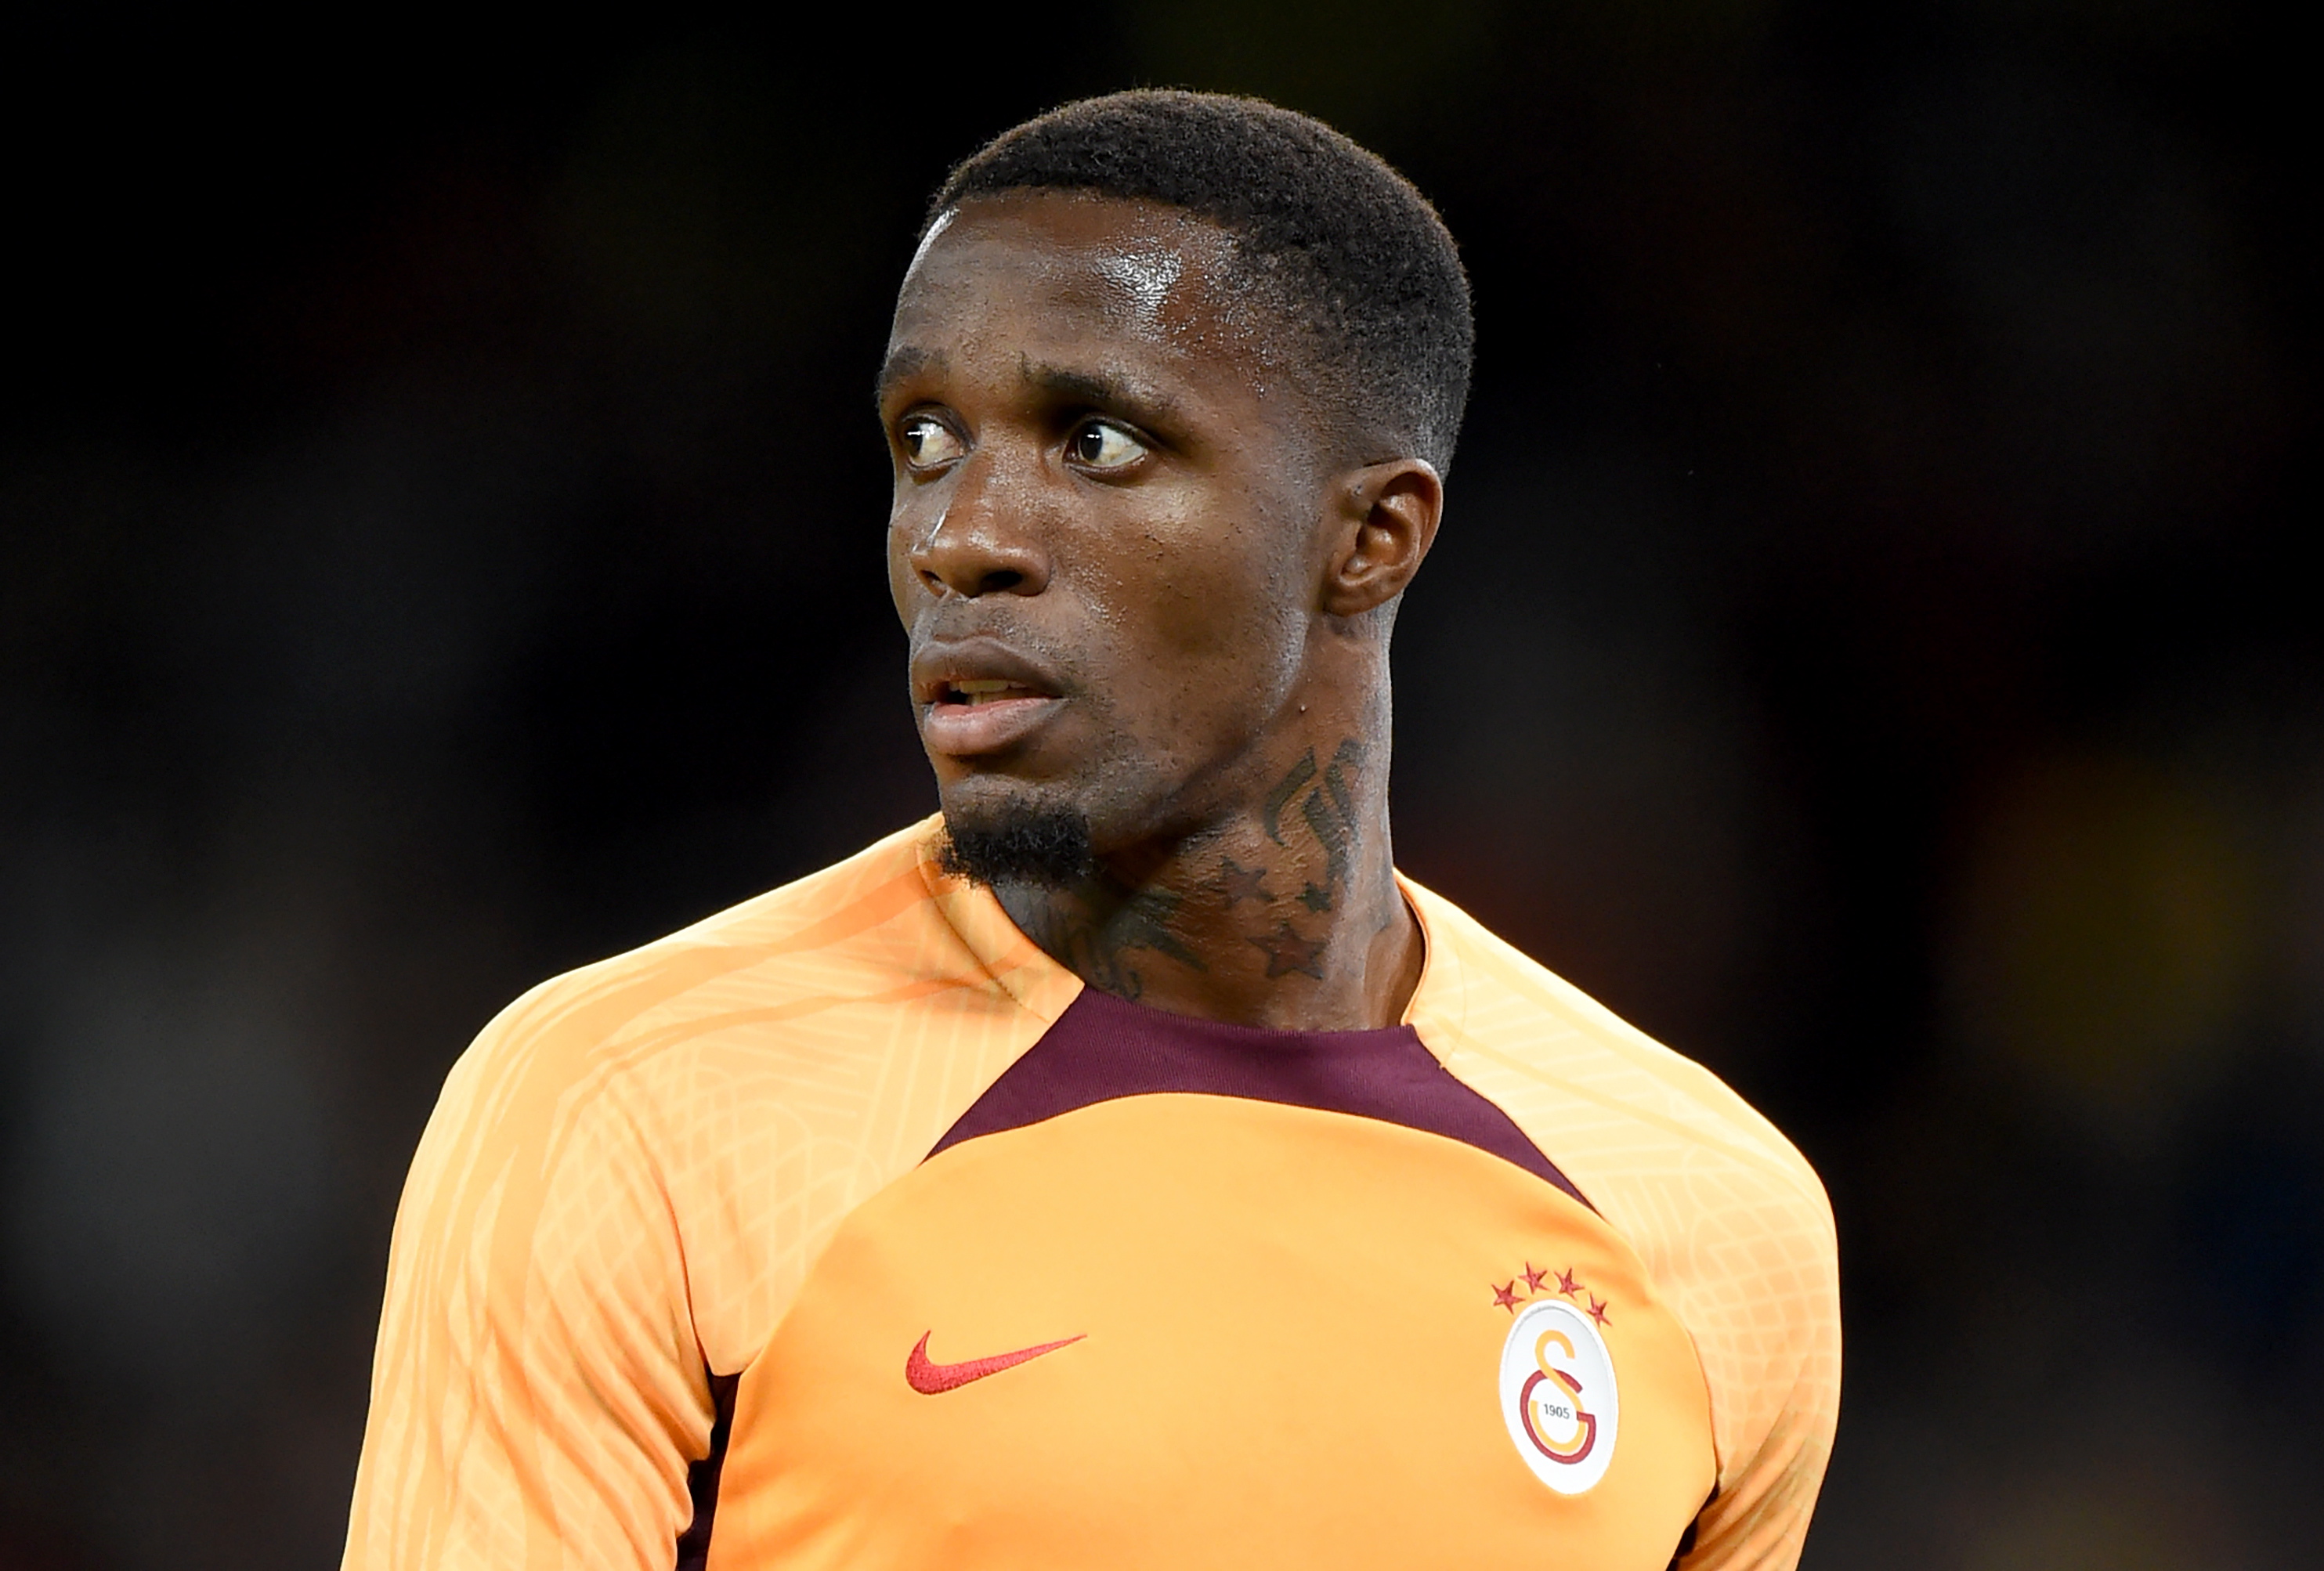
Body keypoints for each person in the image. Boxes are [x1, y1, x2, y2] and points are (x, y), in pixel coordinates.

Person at [341, 90, 1839, 1570]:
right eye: (924, 437)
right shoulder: (641, 1110)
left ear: (1370, 538)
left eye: (1098, 440)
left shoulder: (1711, 1217)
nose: (956, 535)